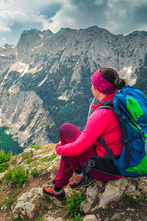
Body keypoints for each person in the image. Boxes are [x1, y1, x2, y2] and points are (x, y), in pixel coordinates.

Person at [42, 67, 127, 202]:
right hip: (120, 160)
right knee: (68, 132)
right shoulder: (120, 101)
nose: (91, 86)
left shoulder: (102, 115)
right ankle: (72, 178)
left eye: (93, 84)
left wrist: (59, 149)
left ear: (97, 89)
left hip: (107, 169)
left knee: (67, 141)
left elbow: (77, 148)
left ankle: (60, 186)